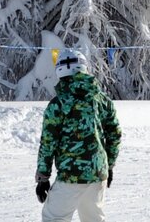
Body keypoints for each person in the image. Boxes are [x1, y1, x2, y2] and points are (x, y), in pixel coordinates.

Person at [35, 50, 121, 222]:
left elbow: (48, 142)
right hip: (98, 173)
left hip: (71, 175)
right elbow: (114, 133)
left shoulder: (57, 104)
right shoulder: (102, 99)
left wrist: (43, 177)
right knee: (93, 218)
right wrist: (109, 165)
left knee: (54, 218)